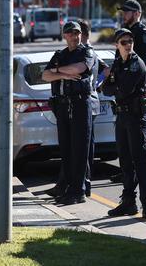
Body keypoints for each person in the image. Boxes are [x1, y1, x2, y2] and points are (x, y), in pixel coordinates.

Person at [45, 20, 109, 199]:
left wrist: (57, 72)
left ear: (81, 34)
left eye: (77, 33)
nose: (74, 36)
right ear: (64, 35)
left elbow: (81, 68)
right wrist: (63, 72)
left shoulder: (87, 52)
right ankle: (68, 187)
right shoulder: (60, 54)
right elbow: (45, 75)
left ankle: (78, 190)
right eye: (70, 33)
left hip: (82, 103)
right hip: (63, 104)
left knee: (80, 150)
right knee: (66, 149)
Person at [102, 28, 146, 219]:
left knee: (140, 160)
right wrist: (114, 84)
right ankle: (128, 202)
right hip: (122, 116)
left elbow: (123, 89)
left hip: (137, 116)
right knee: (124, 161)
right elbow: (105, 89)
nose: (128, 44)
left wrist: (114, 84)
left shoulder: (135, 64)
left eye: (130, 41)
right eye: (124, 42)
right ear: (117, 45)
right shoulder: (118, 63)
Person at [118, 0, 146, 67]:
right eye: (123, 12)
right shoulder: (125, 31)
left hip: (134, 75)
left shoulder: (143, 33)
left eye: (126, 12)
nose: (123, 15)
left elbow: (142, 62)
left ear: (137, 14)